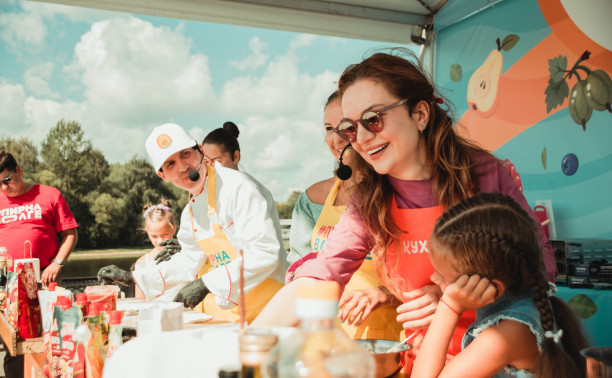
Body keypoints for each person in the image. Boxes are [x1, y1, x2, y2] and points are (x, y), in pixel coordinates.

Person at [252, 49, 556, 368]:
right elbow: (323, 273)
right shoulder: (371, 197)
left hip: (495, 357)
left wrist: (454, 296)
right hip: (427, 361)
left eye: (374, 119)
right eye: (350, 128)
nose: (362, 139)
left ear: (420, 114)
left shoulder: (484, 174)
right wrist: (249, 346)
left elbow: (540, 263)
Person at [98, 123, 287, 323]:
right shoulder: (191, 210)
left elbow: (265, 251)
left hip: (269, 309)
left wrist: (204, 285)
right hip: (233, 313)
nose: (182, 167)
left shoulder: (239, 188)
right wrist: (134, 277)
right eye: (170, 164)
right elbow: (188, 260)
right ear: (162, 175)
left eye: (185, 154)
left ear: (200, 150)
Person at [412, 193, 587, 378]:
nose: (433, 277)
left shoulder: (502, 338)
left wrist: (449, 306)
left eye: (443, 276)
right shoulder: (527, 301)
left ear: (493, 287)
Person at [288, 91, 404, 340]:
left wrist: (384, 293)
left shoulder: (401, 193)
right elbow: (298, 270)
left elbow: (432, 282)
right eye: (329, 128)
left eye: (346, 126)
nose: (337, 138)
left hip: (391, 342)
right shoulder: (311, 199)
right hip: (326, 339)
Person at [0, 151, 78, 378]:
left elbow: (70, 234)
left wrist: (57, 263)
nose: (5, 188)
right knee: (13, 341)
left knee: (52, 336)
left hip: (46, 277)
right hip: (9, 282)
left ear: (19, 171)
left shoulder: (49, 195)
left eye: (8, 180)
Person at [134, 199, 177, 300]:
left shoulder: (186, 255)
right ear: (148, 234)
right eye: (154, 236)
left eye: (165, 234)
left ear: (173, 229)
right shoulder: (141, 263)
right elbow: (140, 300)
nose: (160, 240)